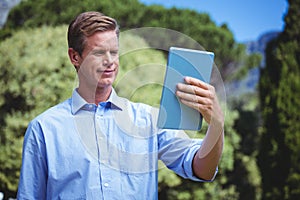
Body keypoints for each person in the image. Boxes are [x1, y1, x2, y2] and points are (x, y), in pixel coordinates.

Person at [17, 11, 224, 199]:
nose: (110, 61)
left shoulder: (149, 120)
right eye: (98, 53)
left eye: (114, 52)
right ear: (75, 56)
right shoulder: (44, 128)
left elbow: (202, 169)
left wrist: (216, 124)